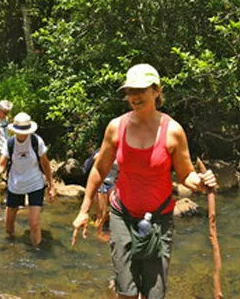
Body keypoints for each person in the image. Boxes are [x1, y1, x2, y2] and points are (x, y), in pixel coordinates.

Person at [71, 64, 217, 299]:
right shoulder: (116, 127)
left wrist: (201, 182)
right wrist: (84, 210)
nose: (134, 97)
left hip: (159, 218)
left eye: (140, 90)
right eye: (130, 91)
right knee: (126, 292)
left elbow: (185, 174)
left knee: (154, 294)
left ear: (157, 91)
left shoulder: (173, 131)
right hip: (122, 215)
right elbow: (99, 169)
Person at [0, 112, 56, 247]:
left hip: (35, 184)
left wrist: (51, 185)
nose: (23, 134)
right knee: (8, 224)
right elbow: (2, 164)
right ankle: (12, 248)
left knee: (34, 223)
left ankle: (37, 251)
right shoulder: (10, 143)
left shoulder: (36, 141)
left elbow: (45, 164)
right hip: (15, 184)